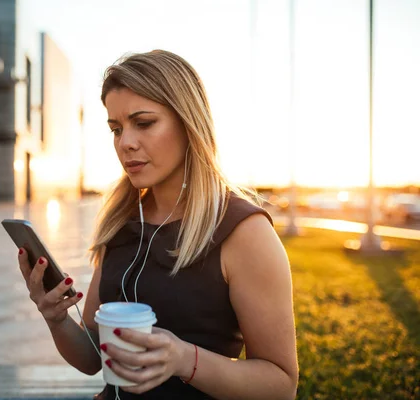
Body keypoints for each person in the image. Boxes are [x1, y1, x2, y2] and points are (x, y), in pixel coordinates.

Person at [16, 50, 298, 399]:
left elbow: (281, 385)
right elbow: (92, 357)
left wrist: (184, 359)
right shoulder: (118, 224)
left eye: (144, 123)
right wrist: (56, 318)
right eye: (116, 129)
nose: (125, 143)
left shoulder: (244, 232)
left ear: (188, 121)